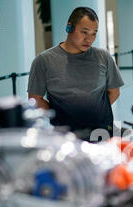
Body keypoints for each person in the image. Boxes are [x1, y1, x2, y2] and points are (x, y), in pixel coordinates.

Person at [27, 7, 124, 139]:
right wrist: (59, 114)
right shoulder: (44, 61)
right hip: (66, 138)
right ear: (69, 28)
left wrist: (91, 113)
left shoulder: (103, 57)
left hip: (102, 134)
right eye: (84, 32)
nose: (89, 39)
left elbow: (114, 91)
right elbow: (35, 99)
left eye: (94, 33)